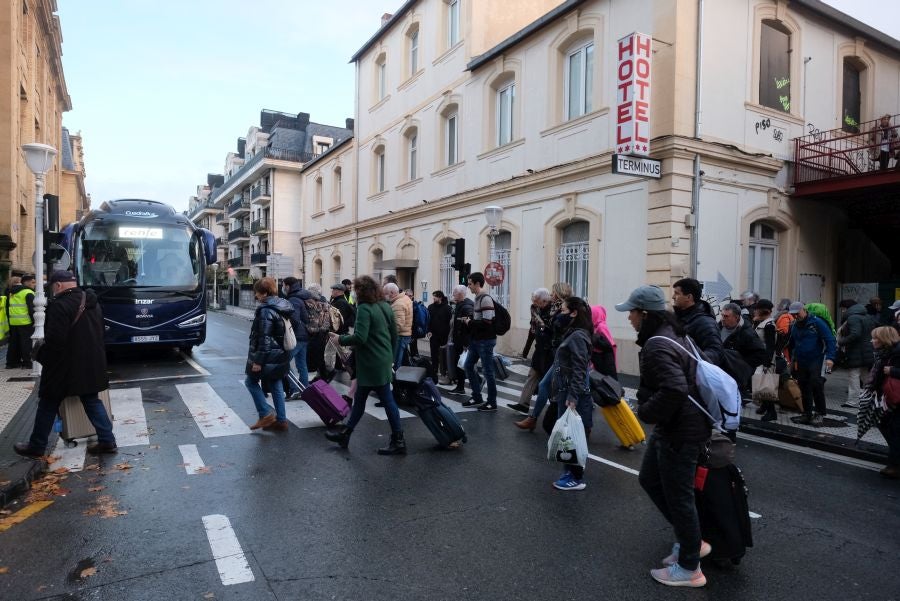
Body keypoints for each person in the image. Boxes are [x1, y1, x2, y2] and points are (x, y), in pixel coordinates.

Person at [616, 285, 711, 588]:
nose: (628, 317)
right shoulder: (675, 334)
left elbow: (675, 388)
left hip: (681, 430)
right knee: (649, 479)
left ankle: (689, 567)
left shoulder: (658, 344)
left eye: (631, 312)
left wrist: (645, 412)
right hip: (677, 426)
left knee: (679, 496)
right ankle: (691, 542)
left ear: (644, 314)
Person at [14, 270, 117, 457]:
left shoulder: (60, 306)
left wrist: (41, 356)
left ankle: (36, 446)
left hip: (64, 366)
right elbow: (101, 330)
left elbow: (55, 342)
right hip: (91, 362)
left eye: (53, 287)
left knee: (47, 403)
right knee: (92, 400)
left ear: (58, 285)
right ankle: (107, 440)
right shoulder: (92, 302)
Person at [325, 275, 406, 455]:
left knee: (387, 400)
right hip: (382, 359)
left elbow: (360, 338)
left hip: (370, 362)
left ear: (361, 291)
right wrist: (390, 357)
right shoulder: (385, 305)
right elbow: (394, 334)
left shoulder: (364, 308)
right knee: (360, 399)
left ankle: (399, 440)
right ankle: (346, 434)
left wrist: (340, 339)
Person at [550, 296, 594, 491]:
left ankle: (576, 478)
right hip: (566, 391)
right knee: (567, 435)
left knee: (573, 436)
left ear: (574, 313)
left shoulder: (577, 336)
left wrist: (573, 396)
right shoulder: (573, 333)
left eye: (564, 310)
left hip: (573, 393)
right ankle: (569, 472)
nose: (560, 314)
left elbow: (580, 368)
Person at [516, 282, 572, 429]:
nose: (551, 296)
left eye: (553, 293)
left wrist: (544, 327)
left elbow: (560, 332)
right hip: (552, 352)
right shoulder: (555, 310)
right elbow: (542, 331)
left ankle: (565, 424)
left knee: (558, 389)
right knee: (545, 385)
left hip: (560, 354)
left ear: (559, 295)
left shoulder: (565, 311)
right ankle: (533, 417)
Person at [244, 277, 295, 432]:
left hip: (268, 356)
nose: (256, 296)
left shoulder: (266, 310)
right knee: (276, 385)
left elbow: (264, 339)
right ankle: (281, 421)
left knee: (250, 382)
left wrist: (258, 361)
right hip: (280, 355)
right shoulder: (282, 305)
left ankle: (265, 414)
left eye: (257, 293)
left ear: (265, 293)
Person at [787, 302, 837, 426]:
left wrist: (830, 358)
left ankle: (820, 414)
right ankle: (806, 414)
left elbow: (830, 340)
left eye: (797, 314)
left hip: (817, 359)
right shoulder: (794, 325)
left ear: (804, 310)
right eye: (793, 315)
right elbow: (792, 343)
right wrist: (791, 360)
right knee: (804, 386)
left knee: (816, 384)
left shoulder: (817, 322)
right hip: (802, 359)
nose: (795, 316)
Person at [508, 288, 553, 413]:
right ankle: (523, 403)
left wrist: (542, 328)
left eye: (537, 302)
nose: (535, 304)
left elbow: (549, 332)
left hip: (548, 352)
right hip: (540, 350)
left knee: (547, 383)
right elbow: (534, 329)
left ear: (544, 300)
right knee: (532, 375)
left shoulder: (551, 311)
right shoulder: (538, 308)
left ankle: (550, 410)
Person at [866, 326, 900, 479]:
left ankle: (895, 465)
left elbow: (887, 373)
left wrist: (892, 371)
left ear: (884, 339)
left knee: (893, 429)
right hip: (888, 396)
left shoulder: (896, 353)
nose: (872, 340)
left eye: (875, 338)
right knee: (886, 425)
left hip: (896, 398)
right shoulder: (885, 352)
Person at [462, 272, 498, 412]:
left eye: (470, 284)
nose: (468, 286)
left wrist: (470, 322)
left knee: (488, 371)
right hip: (477, 340)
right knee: (468, 366)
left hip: (485, 340)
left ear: (477, 284)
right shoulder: (478, 298)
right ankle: (477, 396)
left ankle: (491, 402)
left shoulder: (485, 299)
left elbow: (487, 321)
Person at [718, 302, 767, 401]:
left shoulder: (747, 334)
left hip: (734, 380)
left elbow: (760, 354)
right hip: (719, 375)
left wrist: (740, 365)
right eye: (722, 315)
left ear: (736, 317)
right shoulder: (718, 326)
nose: (723, 318)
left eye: (726, 316)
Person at [671, 278, 725, 367]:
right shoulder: (676, 317)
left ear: (689, 297)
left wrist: (689, 362)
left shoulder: (705, 322)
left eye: (677, 293)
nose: (673, 297)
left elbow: (715, 352)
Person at [838, 300, 876, 409]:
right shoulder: (867, 317)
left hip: (856, 352)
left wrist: (842, 341)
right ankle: (872, 398)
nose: (843, 311)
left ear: (847, 308)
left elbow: (855, 334)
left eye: (843, 308)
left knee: (854, 376)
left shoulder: (853, 318)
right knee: (866, 377)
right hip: (867, 351)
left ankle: (853, 401)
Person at [282, 277, 310, 399]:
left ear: (288, 286)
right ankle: (304, 390)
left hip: (297, 336)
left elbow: (294, 319)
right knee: (302, 364)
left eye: (283, 285)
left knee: (283, 362)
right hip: (306, 335)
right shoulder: (303, 295)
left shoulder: (293, 299)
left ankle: (294, 389)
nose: (283, 288)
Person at [752, 299, 778, 421]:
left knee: (766, 385)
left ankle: (772, 412)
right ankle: (764, 406)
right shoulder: (762, 323)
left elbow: (770, 345)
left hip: (766, 359)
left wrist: (767, 362)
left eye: (757, 308)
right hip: (760, 357)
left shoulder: (769, 325)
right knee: (761, 382)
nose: (755, 310)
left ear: (763, 310)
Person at [446, 285, 474, 394]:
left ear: (460, 294)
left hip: (463, 341)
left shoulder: (466, 306)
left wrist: (465, 343)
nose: (452, 295)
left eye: (454, 293)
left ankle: (462, 387)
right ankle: (461, 386)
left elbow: (468, 326)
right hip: (458, 340)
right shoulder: (460, 305)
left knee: (462, 364)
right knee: (461, 364)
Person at [6, 274, 36, 369]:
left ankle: (11, 363)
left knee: (14, 343)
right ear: (25, 282)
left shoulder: (11, 293)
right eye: (33, 282)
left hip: (13, 321)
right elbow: (31, 309)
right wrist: (34, 321)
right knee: (26, 343)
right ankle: (27, 363)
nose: (34, 284)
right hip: (25, 321)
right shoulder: (28, 292)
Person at [384, 283, 412, 367]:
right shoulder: (405, 298)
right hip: (406, 334)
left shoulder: (398, 304)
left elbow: (398, 325)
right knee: (401, 360)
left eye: (386, 293)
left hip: (400, 336)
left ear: (392, 293)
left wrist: (388, 335)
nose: (385, 296)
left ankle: (394, 379)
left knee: (395, 362)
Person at [426, 290, 452, 382]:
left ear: (440, 297)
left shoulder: (447, 308)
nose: (433, 298)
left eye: (435, 297)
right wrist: (428, 331)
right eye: (433, 296)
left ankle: (444, 372)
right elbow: (428, 320)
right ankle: (434, 370)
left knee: (444, 354)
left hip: (444, 335)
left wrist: (449, 335)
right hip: (433, 335)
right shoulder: (430, 307)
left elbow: (450, 323)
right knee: (434, 354)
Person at [591, 304, 618, 377]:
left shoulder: (601, 326)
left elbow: (607, 344)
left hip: (604, 362)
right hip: (600, 361)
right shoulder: (596, 326)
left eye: (591, 314)